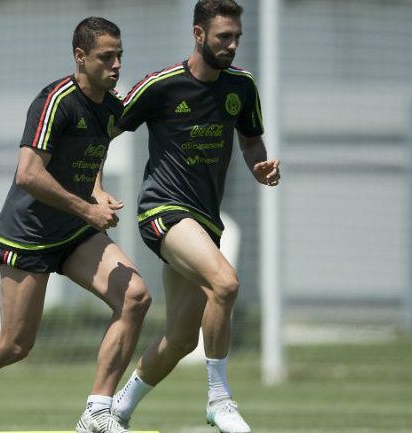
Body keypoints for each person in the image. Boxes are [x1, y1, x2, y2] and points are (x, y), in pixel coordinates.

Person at [0, 17, 150, 433]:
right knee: (15, 345)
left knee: (135, 298)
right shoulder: (55, 101)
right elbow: (28, 174)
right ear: (80, 57)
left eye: (119, 57)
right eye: (106, 57)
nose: (115, 66)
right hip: (29, 235)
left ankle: (96, 410)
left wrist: (96, 188)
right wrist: (87, 208)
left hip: (74, 230)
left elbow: (92, 153)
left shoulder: (111, 108)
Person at [110, 1, 281, 432]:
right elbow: (103, 129)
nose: (233, 45)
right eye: (224, 36)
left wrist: (261, 164)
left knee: (181, 339)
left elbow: (251, 141)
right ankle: (219, 400)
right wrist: (92, 188)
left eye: (237, 36)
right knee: (226, 282)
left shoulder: (241, 87)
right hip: (162, 210)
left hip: (204, 221)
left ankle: (115, 412)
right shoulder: (161, 85)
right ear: (199, 34)